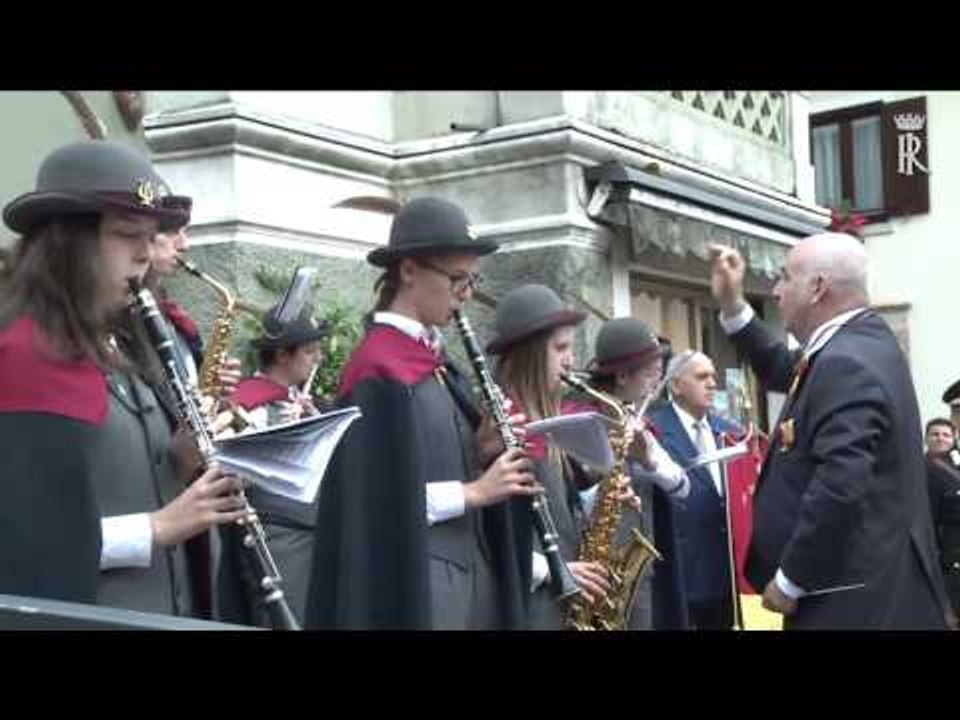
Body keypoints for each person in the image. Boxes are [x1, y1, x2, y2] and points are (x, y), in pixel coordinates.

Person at [0, 140, 245, 615]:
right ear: (66, 242)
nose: (145, 255)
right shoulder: (23, 355)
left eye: (151, 236)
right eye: (127, 233)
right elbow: (24, 544)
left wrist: (179, 459)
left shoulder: (130, 341)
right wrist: (155, 529)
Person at [305, 196, 537, 630]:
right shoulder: (377, 369)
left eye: (471, 281)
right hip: (420, 590)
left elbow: (431, 459)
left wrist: (482, 447)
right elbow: (373, 502)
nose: (464, 296)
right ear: (408, 270)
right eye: (456, 280)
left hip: (473, 581)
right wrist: (476, 492)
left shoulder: (435, 364)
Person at [710, 234, 950, 629]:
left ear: (818, 287)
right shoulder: (860, 341)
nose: (776, 290)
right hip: (863, 590)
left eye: (785, 278)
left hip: (851, 601)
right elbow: (783, 370)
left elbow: (841, 483)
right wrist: (734, 308)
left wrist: (791, 579)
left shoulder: (846, 361)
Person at [219, 303, 329, 626]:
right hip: (275, 536)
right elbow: (234, 471)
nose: (318, 359)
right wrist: (284, 439)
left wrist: (314, 421)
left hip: (311, 533)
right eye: (310, 351)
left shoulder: (299, 401)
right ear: (282, 355)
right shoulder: (247, 401)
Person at [583, 317, 692, 630]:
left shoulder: (642, 425)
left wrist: (649, 460)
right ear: (620, 376)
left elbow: (682, 486)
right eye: (649, 372)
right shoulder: (581, 421)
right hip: (594, 572)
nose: (656, 380)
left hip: (636, 575)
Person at [648, 350, 740, 629]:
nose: (712, 383)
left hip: (729, 578)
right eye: (702, 377)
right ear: (675, 385)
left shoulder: (730, 432)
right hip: (681, 574)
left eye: (713, 376)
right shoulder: (654, 432)